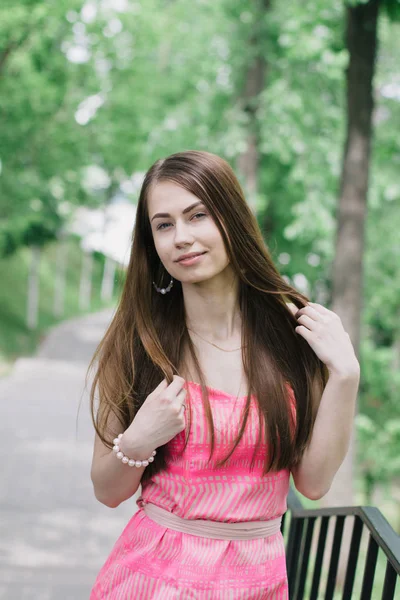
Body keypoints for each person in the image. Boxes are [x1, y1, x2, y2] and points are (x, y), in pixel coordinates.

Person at [88, 150, 360, 599]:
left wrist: (345, 375)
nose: (182, 237)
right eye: (164, 224)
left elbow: (313, 483)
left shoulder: (294, 341)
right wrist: (139, 440)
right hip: (151, 582)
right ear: (152, 243)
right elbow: (106, 490)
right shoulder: (140, 346)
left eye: (198, 215)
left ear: (231, 218)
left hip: (257, 582)